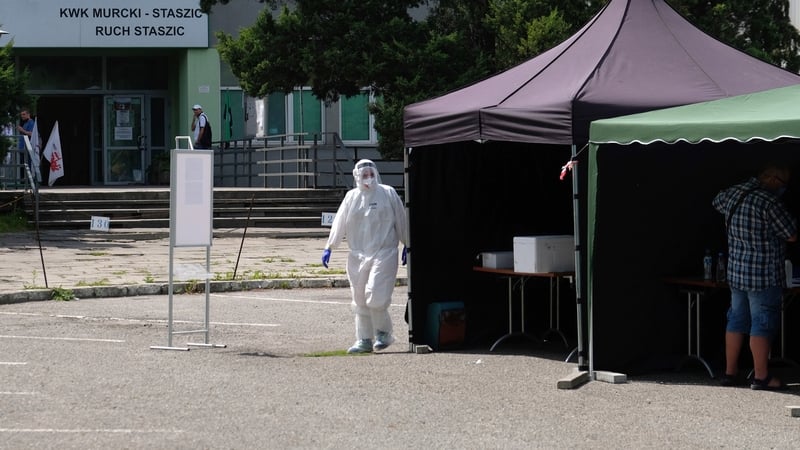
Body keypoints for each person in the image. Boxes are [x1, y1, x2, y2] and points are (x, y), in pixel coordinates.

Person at [712, 162, 797, 390]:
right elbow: (791, 234)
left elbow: (716, 202)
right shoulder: (769, 202)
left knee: (736, 319)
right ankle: (761, 377)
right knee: (761, 322)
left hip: (737, 271)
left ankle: (730, 373)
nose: (784, 188)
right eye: (783, 183)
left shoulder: (734, 193)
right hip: (763, 274)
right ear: (772, 180)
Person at [322, 159, 408, 353]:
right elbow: (340, 221)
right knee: (359, 299)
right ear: (356, 177)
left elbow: (401, 218)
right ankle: (364, 339)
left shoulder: (388, 193)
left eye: (371, 174)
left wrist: (407, 242)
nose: (368, 178)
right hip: (358, 255)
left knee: (376, 296)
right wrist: (330, 246)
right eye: (364, 175)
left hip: (384, 252)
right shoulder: (352, 197)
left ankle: (384, 333)